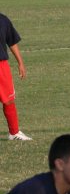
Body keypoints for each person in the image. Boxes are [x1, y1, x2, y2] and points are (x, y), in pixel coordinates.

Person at [1, 12, 31, 141]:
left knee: (8, 100)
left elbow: (12, 42)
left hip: (1, 66)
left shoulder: (3, 20)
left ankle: (14, 132)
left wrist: (20, 63)